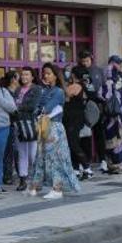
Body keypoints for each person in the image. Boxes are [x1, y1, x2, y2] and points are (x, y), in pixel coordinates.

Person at [28, 63, 82, 199]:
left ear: (55, 76)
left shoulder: (58, 92)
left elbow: (46, 108)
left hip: (54, 128)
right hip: (44, 126)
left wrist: (40, 110)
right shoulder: (44, 91)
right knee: (40, 157)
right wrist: (39, 109)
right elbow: (35, 108)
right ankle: (36, 186)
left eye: (48, 73)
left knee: (55, 159)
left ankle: (57, 189)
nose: (45, 76)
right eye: (44, 73)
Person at [13, 67, 43, 191]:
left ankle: (37, 179)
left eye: (27, 74)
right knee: (22, 153)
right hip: (19, 123)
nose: (24, 77)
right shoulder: (18, 89)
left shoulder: (36, 89)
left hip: (31, 123)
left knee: (33, 153)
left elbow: (32, 106)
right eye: (22, 74)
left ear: (32, 77)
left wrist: (17, 107)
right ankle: (23, 180)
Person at [74, 50, 106, 165]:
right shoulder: (78, 71)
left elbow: (102, 86)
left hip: (95, 106)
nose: (85, 63)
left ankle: (102, 158)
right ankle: (86, 161)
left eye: (87, 61)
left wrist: (101, 99)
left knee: (99, 133)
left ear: (91, 59)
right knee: (85, 135)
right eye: (83, 61)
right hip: (82, 106)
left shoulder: (98, 70)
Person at [63, 74, 94, 180]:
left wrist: (63, 83)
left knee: (73, 144)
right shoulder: (82, 87)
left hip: (73, 120)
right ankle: (76, 169)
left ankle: (87, 167)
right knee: (72, 144)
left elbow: (65, 95)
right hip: (73, 119)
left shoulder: (76, 86)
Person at [0, 71, 20, 185]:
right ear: (13, 79)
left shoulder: (19, 92)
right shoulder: (6, 92)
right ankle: (7, 175)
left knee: (17, 151)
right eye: (18, 78)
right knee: (9, 151)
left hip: (18, 124)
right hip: (10, 124)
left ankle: (20, 174)